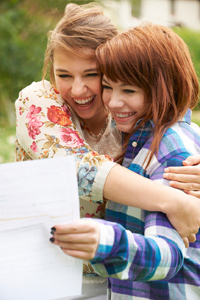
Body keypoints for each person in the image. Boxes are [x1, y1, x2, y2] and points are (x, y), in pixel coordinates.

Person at [50, 23, 200, 299]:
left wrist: (106, 242)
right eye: (108, 87)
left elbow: (168, 256)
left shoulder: (171, 152)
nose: (113, 102)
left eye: (129, 91)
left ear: (165, 87)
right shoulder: (138, 138)